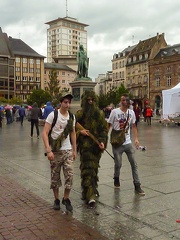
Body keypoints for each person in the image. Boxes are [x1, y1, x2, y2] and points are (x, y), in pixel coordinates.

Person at [42, 93, 76, 212]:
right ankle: (56, 199)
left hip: (67, 150)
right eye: (65, 102)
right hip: (55, 151)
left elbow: (73, 133)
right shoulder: (53, 115)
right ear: (60, 102)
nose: (67, 105)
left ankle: (65, 198)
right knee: (55, 177)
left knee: (70, 176)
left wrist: (74, 150)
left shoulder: (72, 116)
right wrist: (48, 150)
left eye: (69, 102)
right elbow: (45, 132)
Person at [75, 91, 108, 208]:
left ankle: (91, 189)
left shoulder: (99, 114)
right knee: (87, 170)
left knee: (94, 170)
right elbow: (72, 129)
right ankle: (90, 195)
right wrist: (80, 132)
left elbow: (103, 129)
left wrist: (102, 141)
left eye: (92, 100)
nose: (90, 102)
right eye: (88, 100)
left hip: (96, 147)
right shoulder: (79, 114)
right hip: (85, 147)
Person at [107, 93, 145, 196]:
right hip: (117, 143)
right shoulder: (114, 112)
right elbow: (109, 126)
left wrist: (136, 139)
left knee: (134, 164)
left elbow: (134, 127)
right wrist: (104, 139)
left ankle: (137, 185)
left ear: (128, 102)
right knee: (118, 164)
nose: (123, 102)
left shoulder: (131, 112)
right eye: (122, 100)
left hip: (127, 142)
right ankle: (116, 177)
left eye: (125, 100)